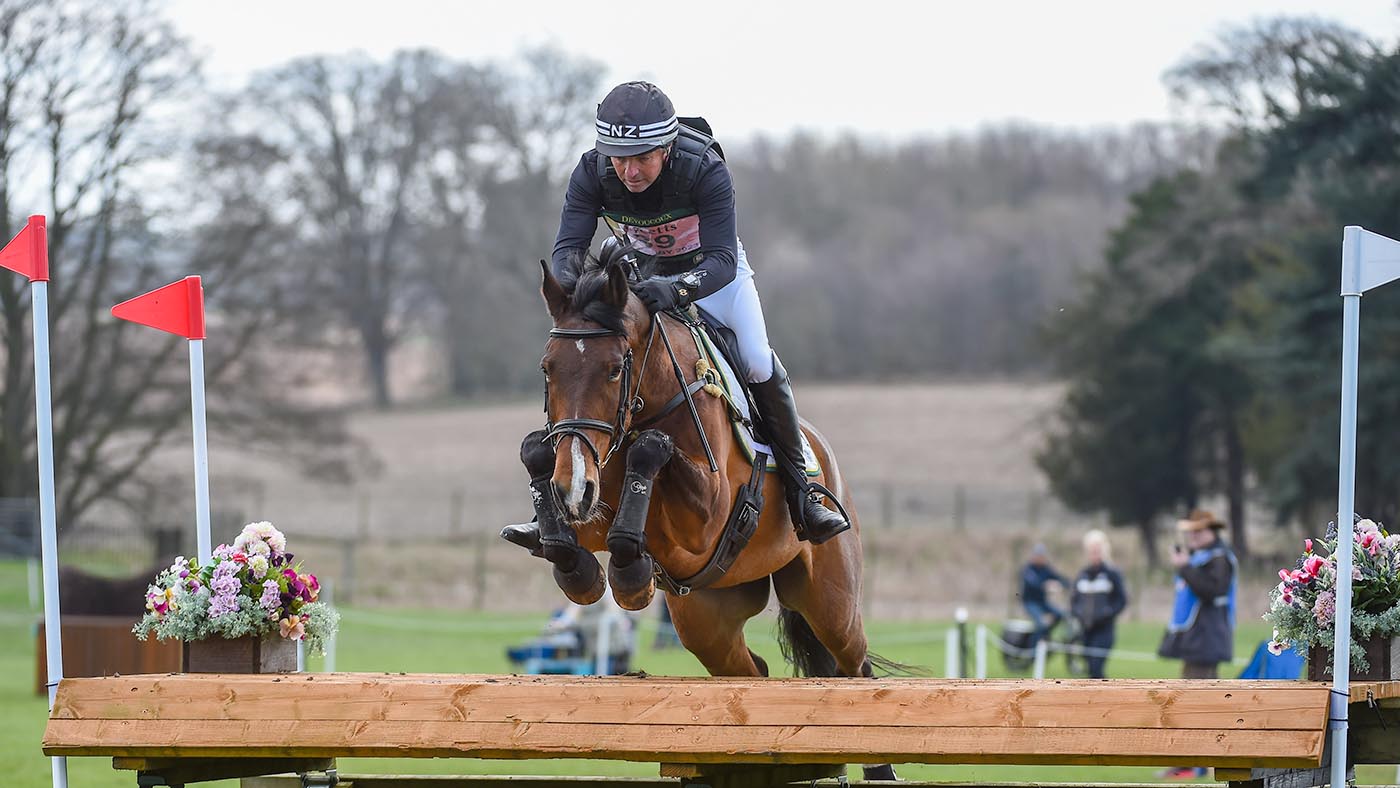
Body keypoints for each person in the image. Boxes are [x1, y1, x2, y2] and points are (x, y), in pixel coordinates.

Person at [502, 80, 849, 547]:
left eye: (641, 157)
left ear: (666, 148)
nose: (628, 171)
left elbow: (723, 260)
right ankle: (554, 506)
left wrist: (677, 287)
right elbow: (568, 247)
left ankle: (803, 491)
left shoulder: (703, 168)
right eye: (619, 158)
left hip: (711, 276)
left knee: (757, 359)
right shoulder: (592, 171)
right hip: (639, 280)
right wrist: (571, 298)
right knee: (584, 359)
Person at [1158, 508, 1237, 679]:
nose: (1193, 535)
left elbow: (1211, 591)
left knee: (1198, 693)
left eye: (1198, 531)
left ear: (1212, 531)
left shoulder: (1219, 558)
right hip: (1198, 639)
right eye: (1191, 531)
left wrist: (1185, 567)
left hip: (1207, 637)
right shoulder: (1201, 556)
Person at [1069, 529, 1128, 679]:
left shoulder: (1112, 574)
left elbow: (1122, 599)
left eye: (1097, 550)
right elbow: (1074, 600)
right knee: (1090, 669)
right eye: (1091, 550)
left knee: (1096, 667)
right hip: (1086, 630)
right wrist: (1078, 613)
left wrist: (1108, 612)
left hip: (1104, 630)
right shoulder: (1082, 574)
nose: (1094, 553)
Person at [1020, 543, 1067, 651]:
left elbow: (1058, 578)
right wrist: (1046, 585)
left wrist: (1065, 584)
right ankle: (1032, 651)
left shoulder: (1046, 569)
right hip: (1030, 602)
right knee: (1041, 623)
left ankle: (1045, 636)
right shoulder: (1028, 569)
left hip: (1042, 602)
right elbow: (1032, 584)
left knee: (1060, 615)